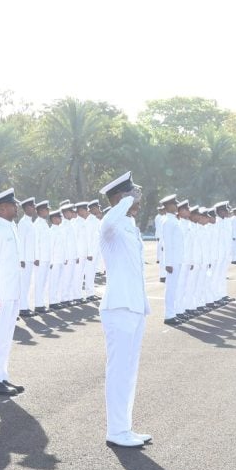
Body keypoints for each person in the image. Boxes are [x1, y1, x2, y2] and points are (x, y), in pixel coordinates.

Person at [97, 171, 152, 448]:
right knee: (118, 371)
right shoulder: (111, 225)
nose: (138, 200)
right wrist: (122, 201)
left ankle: (124, 427)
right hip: (117, 306)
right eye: (132, 195)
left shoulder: (129, 226)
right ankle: (115, 431)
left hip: (133, 306)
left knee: (129, 371)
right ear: (119, 198)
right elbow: (109, 221)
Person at [0, 188, 26, 397]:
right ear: (2, 208)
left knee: (6, 337)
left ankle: (1, 376)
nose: (16, 207)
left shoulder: (11, 228)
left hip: (11, 292)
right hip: (0, 295)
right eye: (13, 205)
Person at [158, 194, 184, 325]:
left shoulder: (173, 220)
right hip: (172, 261)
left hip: (177, 259)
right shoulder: (168, 221)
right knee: (171, 288)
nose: (176, 206)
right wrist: (167, 263)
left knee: (175, 288)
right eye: (174, 204)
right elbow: (167, 243)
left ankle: (173, 313)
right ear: (168, 206)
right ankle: (169, 315)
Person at [16, 196, 38, 319]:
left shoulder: (30, 222)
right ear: (26, 208)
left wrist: (33, 256)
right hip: (25, 260)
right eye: (32, 206)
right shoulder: (23, 223)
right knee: (23, 284)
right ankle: (22, 308)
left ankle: (25, 306)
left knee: (28, 284)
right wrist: (22, 259)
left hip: (30, 258)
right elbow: (21, 242)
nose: (34, 208)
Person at [33, 200, 52, 314]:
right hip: (40, 259)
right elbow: (36, 242)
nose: (48, 211)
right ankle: (38, 305)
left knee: (43, 282)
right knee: (39, 282)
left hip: (46, 257)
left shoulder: (44, 223)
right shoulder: (37, 224)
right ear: (40, 211)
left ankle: (41, 303)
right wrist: (36, 257)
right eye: (46, 209)